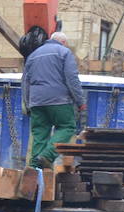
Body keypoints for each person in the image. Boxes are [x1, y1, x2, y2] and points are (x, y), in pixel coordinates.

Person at [21, 30, 85, 169]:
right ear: (63, 42)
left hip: (36, 101)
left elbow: (25, 82)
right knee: (67, 127)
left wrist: (28, 103)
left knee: (40, 133)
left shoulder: (33, 55)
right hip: (59, 100)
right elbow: (72, 78)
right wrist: (80, 101)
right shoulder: (64, 52)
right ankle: (47, 156)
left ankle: (34, 168)